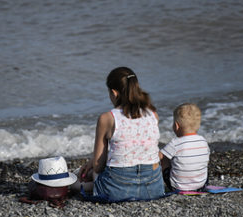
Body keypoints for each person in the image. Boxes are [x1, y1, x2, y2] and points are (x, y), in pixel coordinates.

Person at [72, 67, 165, 202]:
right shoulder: (152, 114)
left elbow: (99, 165)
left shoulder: (108, 118)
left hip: (118, 190)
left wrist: (93, 165)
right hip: (153, 188)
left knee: (79, 182)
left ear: (114, 93)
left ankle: (85, 186)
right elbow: (135, 146)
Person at [159, 103, 210, 192]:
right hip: (201, 184)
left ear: (176, 126)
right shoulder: (203, 141)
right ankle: (198, 181)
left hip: (177, 187)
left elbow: (159, 156)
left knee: (165, 158)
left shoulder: (176, 143)